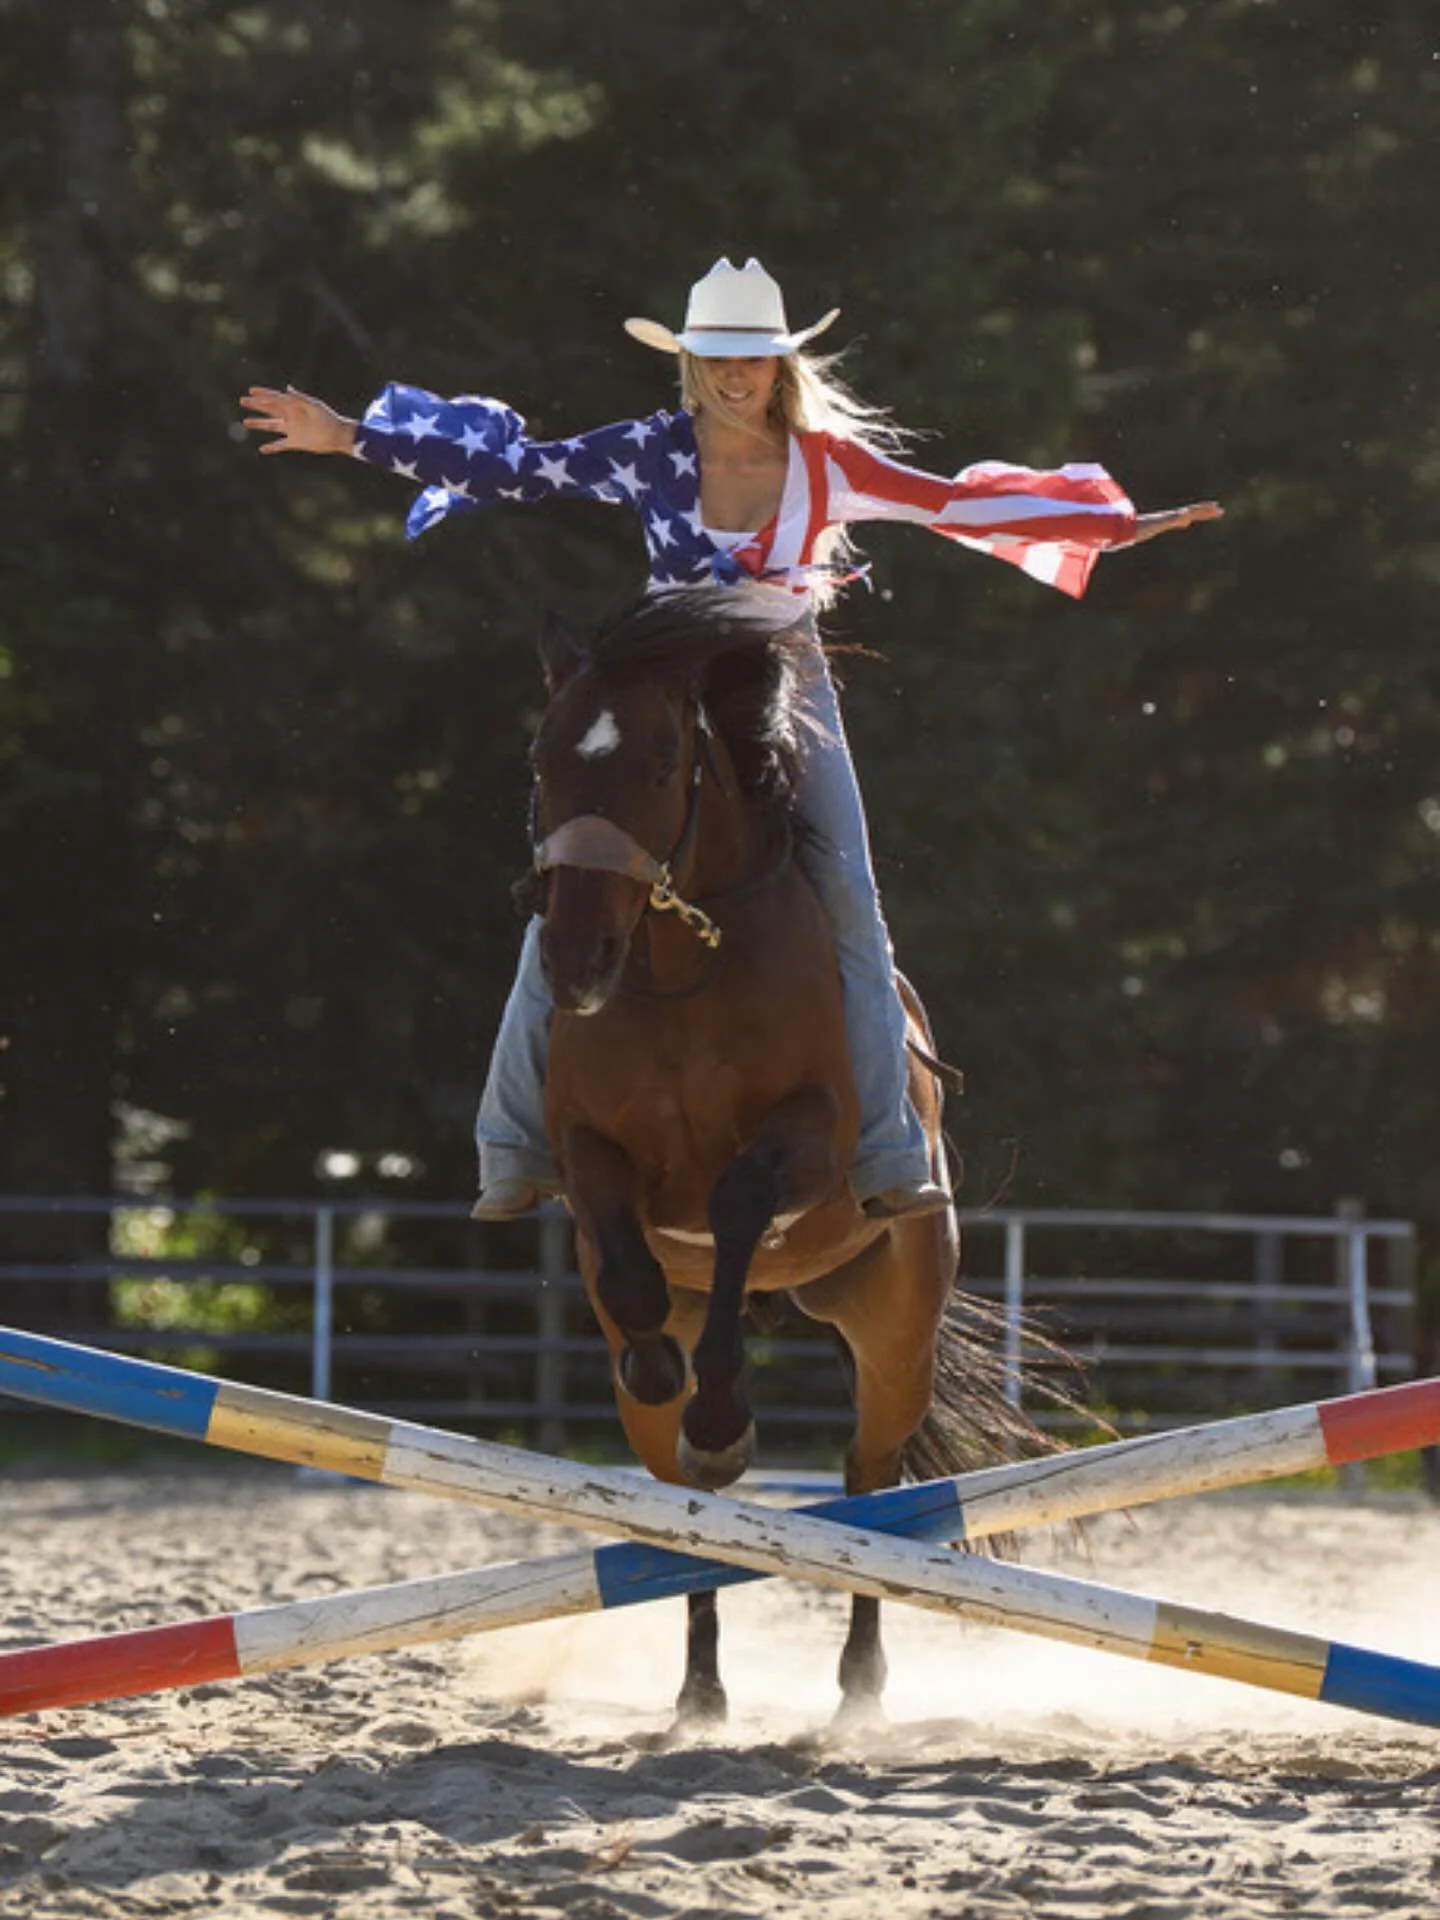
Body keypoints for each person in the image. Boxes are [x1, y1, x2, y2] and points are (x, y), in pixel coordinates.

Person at [241, 256, 1220, 1222]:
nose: (733, 374)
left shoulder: (831, 467)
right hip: (665, 668)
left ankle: (885, 1148)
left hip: (781, 676)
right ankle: (512, 1144)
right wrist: (350, 438)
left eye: (751, 357)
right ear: (691, 364)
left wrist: (1117, 529)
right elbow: (522, 470)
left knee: (850, 894)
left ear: (781, 365)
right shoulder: (649, 448)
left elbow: (955, 505)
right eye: (715, 357)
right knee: (573, 868)